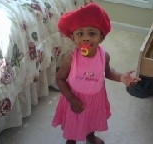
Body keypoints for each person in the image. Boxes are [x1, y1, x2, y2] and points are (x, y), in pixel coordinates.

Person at [52, 2, 141, 144]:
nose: (86, 38)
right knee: (73, 123)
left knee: (91, 119)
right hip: (74, 97)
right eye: (80, 33)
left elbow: (107, 72)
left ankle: (90, 136)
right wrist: (71, 99)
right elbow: (60, 79)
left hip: (95, 98)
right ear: (73, 37)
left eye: (92, 33)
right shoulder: (71, 59)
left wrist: (121, 77)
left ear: (101, 37)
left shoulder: (104, 56)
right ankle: (71, 140)